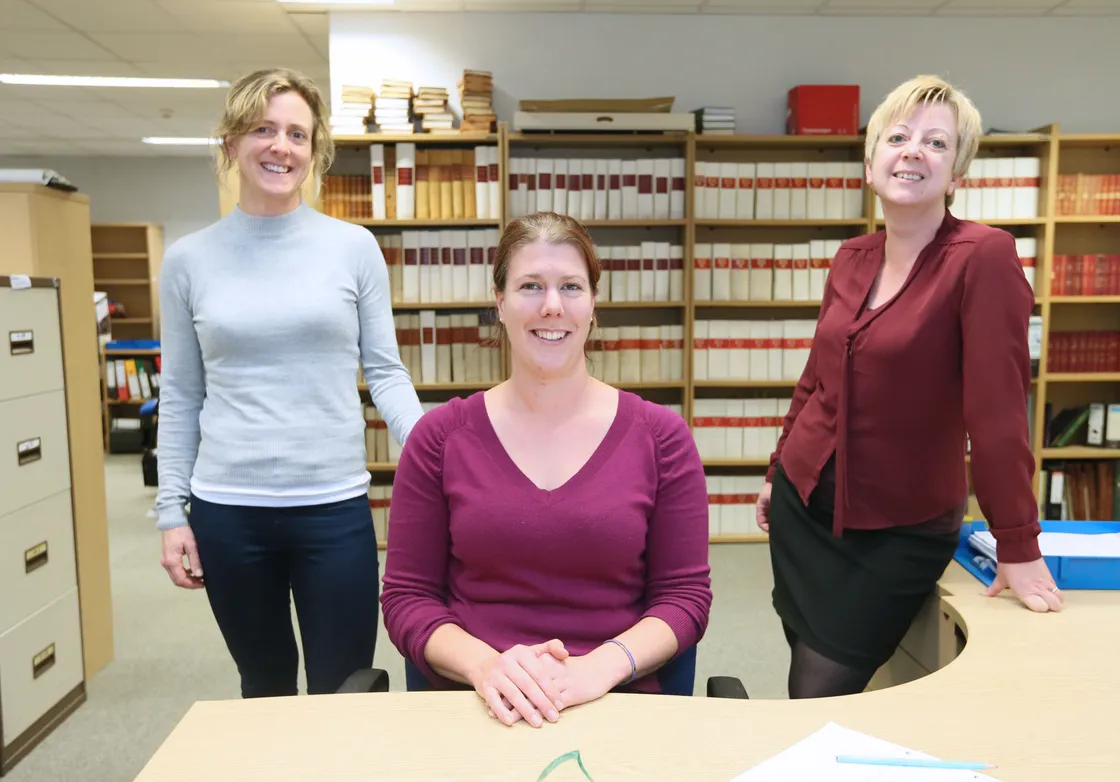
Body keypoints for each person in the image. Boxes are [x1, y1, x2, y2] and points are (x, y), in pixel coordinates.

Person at [756, 74, 1061, 701]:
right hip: (803, 508)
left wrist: (1018, 544)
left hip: (898, 530)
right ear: (872, 166)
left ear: (956, 176)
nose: (914, 150)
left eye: (937, 143)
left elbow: (998, 416)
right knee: (805, 668)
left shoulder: (983, 257)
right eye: (897, 137)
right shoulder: (852, 258)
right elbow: (816, 378)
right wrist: (775, 469)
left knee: (819, 691)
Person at [380, 211, 712, 728]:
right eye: (530, 286)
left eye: (571, 287)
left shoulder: (661, 438)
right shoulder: (439, 439)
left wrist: (597, 669)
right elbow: (408, 599)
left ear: (593, 306)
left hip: (617, 702)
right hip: (474, 703)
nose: (552, 306)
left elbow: (684, 599)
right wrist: (487, 667)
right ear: (500, 303)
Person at [155, 68, 424, 698]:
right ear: (231, 144)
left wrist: (435, 453)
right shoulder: (189, 259)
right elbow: (182, 395)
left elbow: (384, 372)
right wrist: (172, 512)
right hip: (228, 514)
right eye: (263, 130)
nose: (281, 146)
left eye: (297, 134)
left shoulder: (353, 248)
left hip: (333, 509)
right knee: (265, 685)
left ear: (314, 150)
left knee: (347, 687)